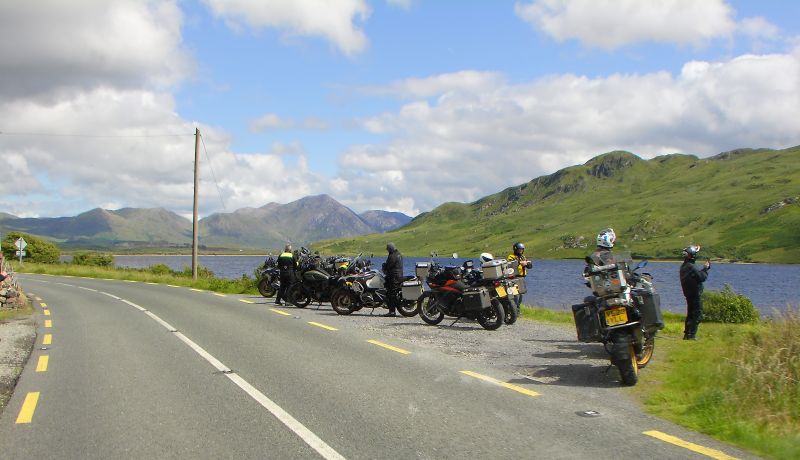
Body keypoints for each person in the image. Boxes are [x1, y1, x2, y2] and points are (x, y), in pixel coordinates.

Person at [680, 245, 711, 340]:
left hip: (689, 295)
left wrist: (704, 270)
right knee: (697, 314)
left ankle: (687, 335)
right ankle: (691, 336)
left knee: (690, 314)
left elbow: (697, 275)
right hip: (694, 295)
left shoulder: (685, 266)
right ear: (692, 256)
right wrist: (705, 268)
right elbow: (702, 277)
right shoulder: (691, 266)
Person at [506, 242, 531, 310]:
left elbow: (530, 266)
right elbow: (510, 264)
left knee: (521, 295)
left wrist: (528, 263)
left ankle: (517, 309)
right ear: (515, 249)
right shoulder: (511, 256)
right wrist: (520, 263)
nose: (521, 251)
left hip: (522, 278)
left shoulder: (523, 257)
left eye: (522, 249)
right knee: (516, 295)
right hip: (514, 278)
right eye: (519, 249)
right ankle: (514, 309)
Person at [381, 242, 403, 317]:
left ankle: (392, 311)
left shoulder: (393, 256)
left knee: (391, 293)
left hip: (394, 277)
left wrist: (384, 267)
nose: (387, 250)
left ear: (390, 248)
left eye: (388, 249)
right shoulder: (398, 254)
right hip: (397, 275)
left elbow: (389, 266)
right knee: (390, 291)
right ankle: (387, 305)